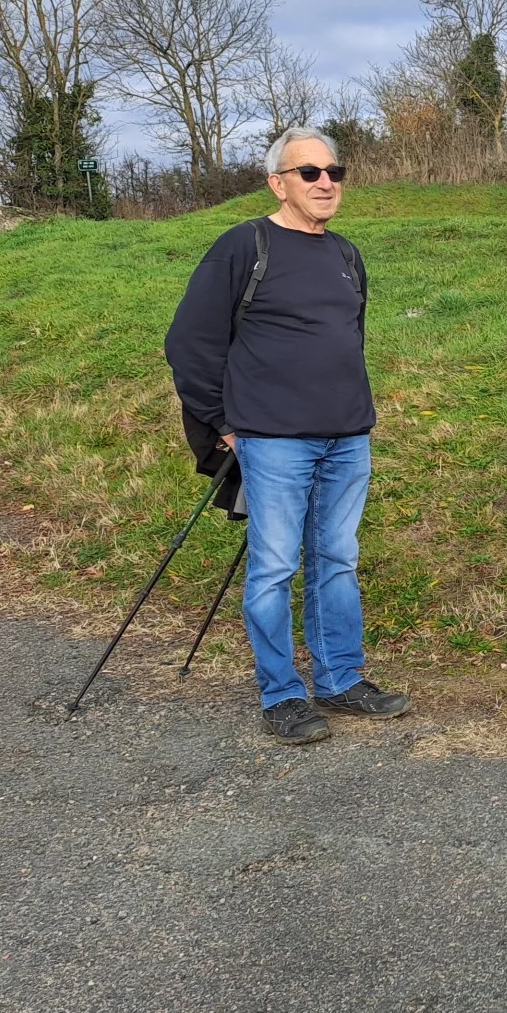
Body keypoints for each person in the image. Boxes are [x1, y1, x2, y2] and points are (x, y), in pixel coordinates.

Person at [166, 127, 409, 746]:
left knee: (337, 560)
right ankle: (282, 694)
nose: (326, 182)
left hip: (347, 435)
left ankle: (339, 678)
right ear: (279, 182)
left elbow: (348, 336)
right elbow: (190, 343)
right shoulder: (243, 246)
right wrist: (220, 420)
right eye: (310, 173)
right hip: (273, 440)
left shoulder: (346, 255)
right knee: (275, 567)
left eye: (335, 171)